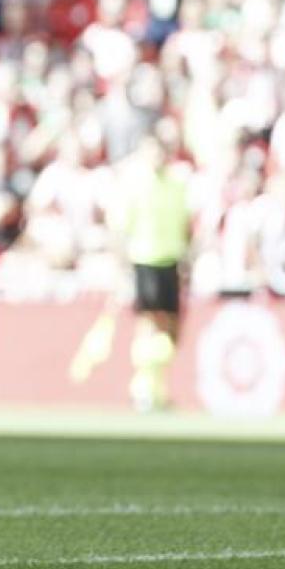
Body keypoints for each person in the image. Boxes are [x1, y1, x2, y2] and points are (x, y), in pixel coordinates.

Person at [120, 134, 190, 411]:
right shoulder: (135, 184)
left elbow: (184, 224)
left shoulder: (176, 183)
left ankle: (158, 387)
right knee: (148, 325)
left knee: (170, 330)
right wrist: (121, 265)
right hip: (145, 259)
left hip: (171, 261)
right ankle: (143, 389)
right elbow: (122, 225)